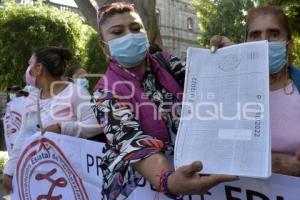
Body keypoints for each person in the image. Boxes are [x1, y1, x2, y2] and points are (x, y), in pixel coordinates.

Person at [93, 2, 237, 200]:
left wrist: (227, 57)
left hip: (194, 166)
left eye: (135, 28)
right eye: (117, 32)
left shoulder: (167, 63)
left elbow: (208, 79)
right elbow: (131, 141)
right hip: (142, 188)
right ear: (104, 46)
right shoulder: (104, 92)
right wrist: (169, 181)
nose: (129, 35)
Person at [210, 5, 300, 176]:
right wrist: (219, 63)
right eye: (255, 35)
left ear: (288, 44)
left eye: (274, 34)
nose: (263, 42)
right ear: (245, 43)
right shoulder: (232, 90)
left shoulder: (297, 87)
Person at [3, 46, 102, 192]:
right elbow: (23, 136)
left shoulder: (76, 93)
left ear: (38, 68)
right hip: (39, 177)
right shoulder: (32, 98)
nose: (28, 69)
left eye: (30, 64)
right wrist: (9, 171)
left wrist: (62, 128)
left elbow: (96, 125)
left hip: (72, 179)